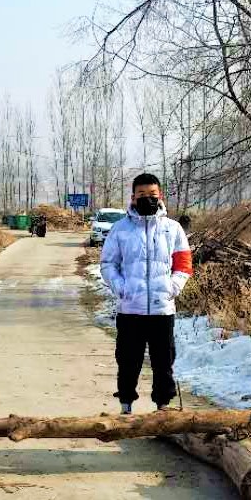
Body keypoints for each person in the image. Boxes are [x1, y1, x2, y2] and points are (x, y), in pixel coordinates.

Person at [100, 173, 193, 414]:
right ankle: (126, 406)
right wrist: (122, 288)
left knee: (164, 361)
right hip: (130, 309)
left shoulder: (172, 229)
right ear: (133, 197)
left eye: (152, 194)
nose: (147, 198)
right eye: (142, 194)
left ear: (160, 196)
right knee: (128, 361)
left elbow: (183, 264)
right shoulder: (120, 229)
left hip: (162, 310)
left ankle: (163, 407)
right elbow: (108, 264)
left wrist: (172, 288)